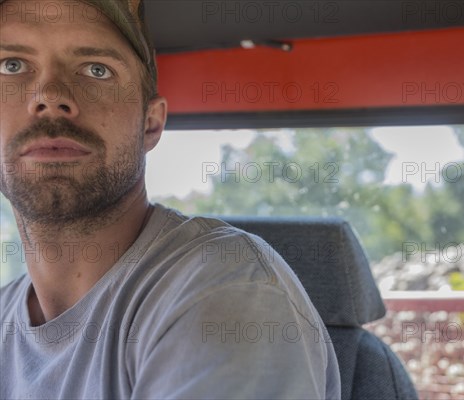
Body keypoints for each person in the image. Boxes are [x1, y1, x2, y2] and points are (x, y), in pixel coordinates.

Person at [0, 0, 341, 398]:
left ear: (151, 124)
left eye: (97, 70)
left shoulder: (227, 287)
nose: (50, 96)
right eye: (10, 66)